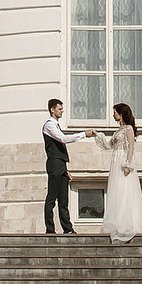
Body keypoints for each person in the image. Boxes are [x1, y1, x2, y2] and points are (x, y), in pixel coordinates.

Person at [98, 101, 142, 241]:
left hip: (123, 162)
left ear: (121, 114)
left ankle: (128, 222)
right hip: (115, 162)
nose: (113, 115)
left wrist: (127, 165)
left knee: (125, 190)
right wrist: (99, 136)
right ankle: (117, 222)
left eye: (115, 113)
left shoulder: (128, 130)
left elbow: (131, 147)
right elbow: (109, 146)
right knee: (117, 191)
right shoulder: (118, 131)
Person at [42, 98, 91, 235]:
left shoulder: (56, 126)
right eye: (59, 109)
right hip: (55, 164)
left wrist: (65, 169)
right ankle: (50, 229)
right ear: (52, 110)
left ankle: (67, 229)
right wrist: (83, 134)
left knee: (64, 199)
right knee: (52, 198)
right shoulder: (49, 125)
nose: (62, 111)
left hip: (61, 165)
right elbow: (63, 139)